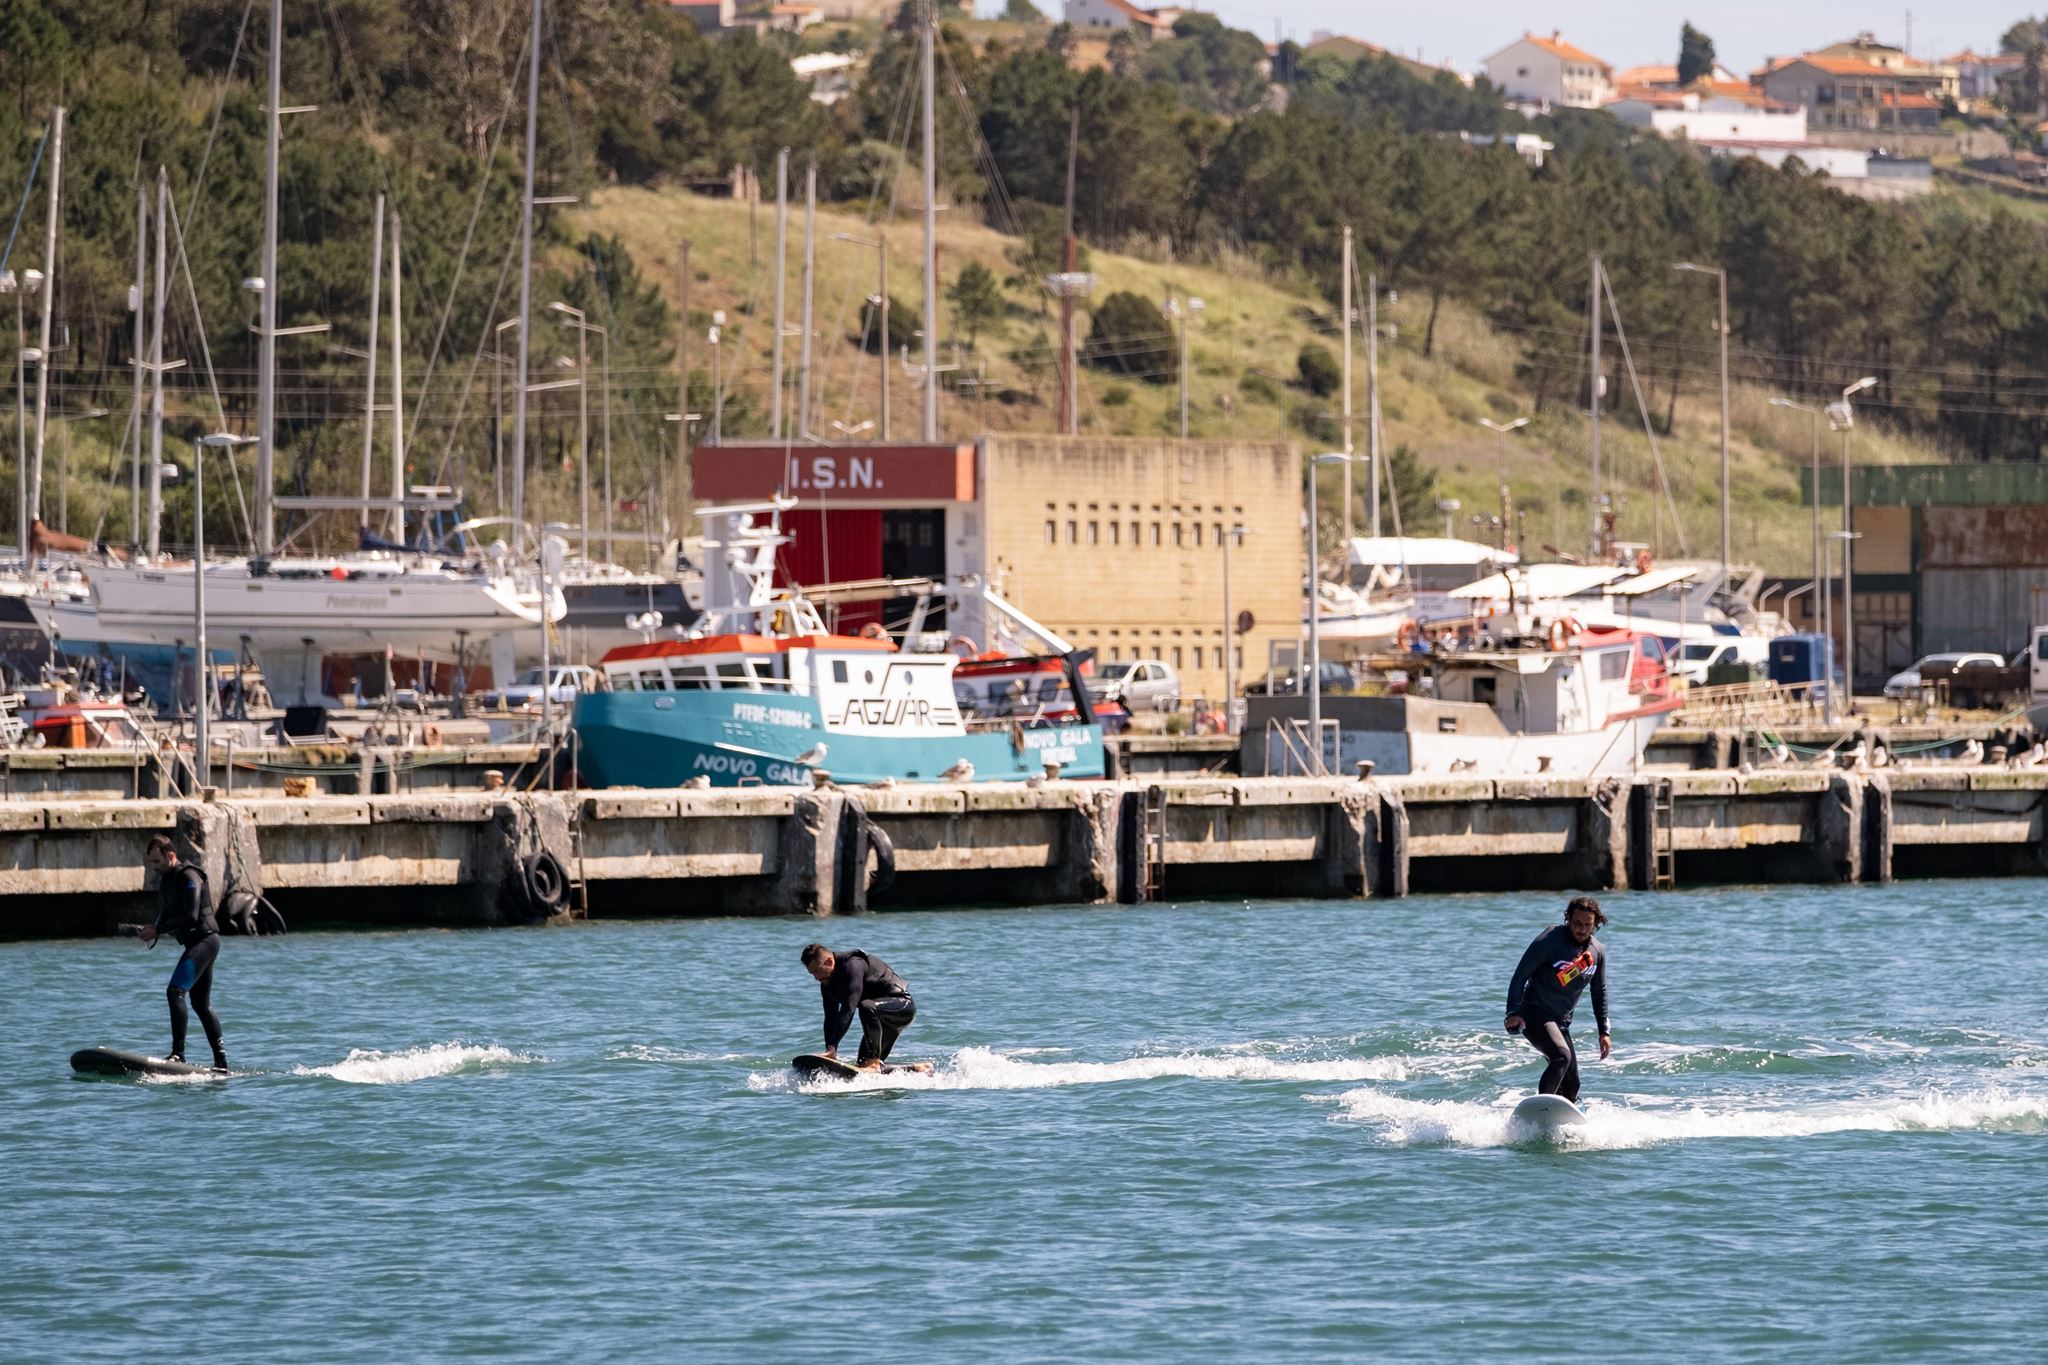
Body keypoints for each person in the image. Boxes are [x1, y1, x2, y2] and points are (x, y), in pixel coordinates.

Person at [1503, 895, 1610, 1102]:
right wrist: (1512, 1012)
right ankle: (1541, 1110)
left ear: (1595, 924)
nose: (1581, 929)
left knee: (1572, 1085)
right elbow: (1520, 975)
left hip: (1561, 1022)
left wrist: (1603, 1032)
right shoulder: (1550, 939)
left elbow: (1599, 993)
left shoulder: (1597, 952)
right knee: (1561, 1056)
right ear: (1568, 919)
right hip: (1533, 1014)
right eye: (1577, 923)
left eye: (1588, 925)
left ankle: (1561, 1124)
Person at [137, 834, 228, 1071]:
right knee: (200, 1004)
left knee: (175, 991)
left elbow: (191, 915)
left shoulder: (190, 876)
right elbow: (167, 913)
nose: (154, 868)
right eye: (151, 863)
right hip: (195, 944)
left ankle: (178, 1055)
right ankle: (221, 1064)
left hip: (206, 941)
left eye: (157, 862)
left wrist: (158, 930)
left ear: (170, 855)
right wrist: (152, 928)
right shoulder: (168, 880)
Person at [801, 944, 930, 1072]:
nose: (816, 978)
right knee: (862, 1066)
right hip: (880, 1018)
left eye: (817, 971)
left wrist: (832, 1046)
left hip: (902, 1006)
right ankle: (917, 1069)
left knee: (866, 1006)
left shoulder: (853, 965)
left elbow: (848, 1008)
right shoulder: (826, 984)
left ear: (829, 962)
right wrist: (830, 1052)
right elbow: (830, 1019)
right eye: (812, 973)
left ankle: (873, 1062)